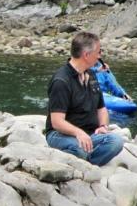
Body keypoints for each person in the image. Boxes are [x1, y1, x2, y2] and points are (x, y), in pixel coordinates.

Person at [45, 31, 124, 166]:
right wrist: (78, 133)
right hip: (61, 134)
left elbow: (102, 109)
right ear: (86, 55)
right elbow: (57, 122)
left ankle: (85, 163)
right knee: (79, 148)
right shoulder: (61, 81)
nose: (100, 56)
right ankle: (84, 160)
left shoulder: (91, 75)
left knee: (116, 142)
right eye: (98, 52)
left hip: (89, 134)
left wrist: (103, 126)